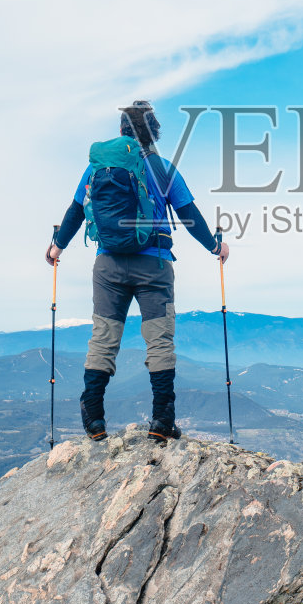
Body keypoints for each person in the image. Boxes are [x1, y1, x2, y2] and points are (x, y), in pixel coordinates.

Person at [46, 101, 229, 441]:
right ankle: (162, 421)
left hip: (108, 265)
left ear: (121, 132)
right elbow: (191, 216)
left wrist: (56, 248)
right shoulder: (163, 168)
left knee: (103, 338)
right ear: (154, 134)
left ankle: (95, 419)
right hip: (154, 265)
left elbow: (75, 212)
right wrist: (216, 247)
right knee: (159, 341)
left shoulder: (97, 168)